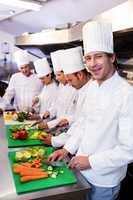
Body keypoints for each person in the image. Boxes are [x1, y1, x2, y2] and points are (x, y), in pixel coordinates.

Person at [48, 21, 133, 200]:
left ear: (112, 57)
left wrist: (91, 161)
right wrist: (66, 148)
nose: (92, 63)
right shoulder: (92, 87)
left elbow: (129, 149)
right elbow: (83, 123)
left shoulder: (127, 94)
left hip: (104, 179)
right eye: (88, 58)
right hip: (81, 170)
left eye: (99, 56)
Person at [40, 46, 92, 147]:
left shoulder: (91, 91)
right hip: (73, 139)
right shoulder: (81, 89)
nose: (69, 84)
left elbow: (84, 127)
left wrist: (56, 141)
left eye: (70, 80)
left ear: (80, 75)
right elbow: (78, 119)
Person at [40, 49, 78, 129]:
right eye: (56, 75)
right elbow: (57, 104)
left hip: (70, 128)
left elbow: (76, 115)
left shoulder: (76, 87)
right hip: (59, 126)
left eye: (59, 75)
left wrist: (49, 125)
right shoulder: (61, 85)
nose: (56, 78)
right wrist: (50, 112)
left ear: (66, 73)